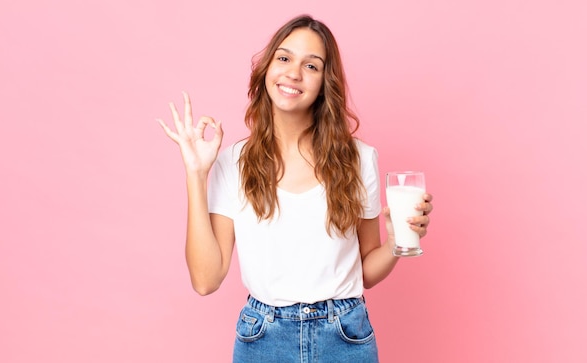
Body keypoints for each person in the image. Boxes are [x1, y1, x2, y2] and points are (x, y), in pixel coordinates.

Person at [157, 14, 433, 363]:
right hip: (263, 339)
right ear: (267, 68)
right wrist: (196, 174)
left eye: (311, 65)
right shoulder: (233, 162)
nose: (293, 73)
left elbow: (365, 273)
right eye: (284, 58)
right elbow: (205, 280)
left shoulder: (359, 159)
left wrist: (396, 243)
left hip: (345, 336)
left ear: (324, 83)